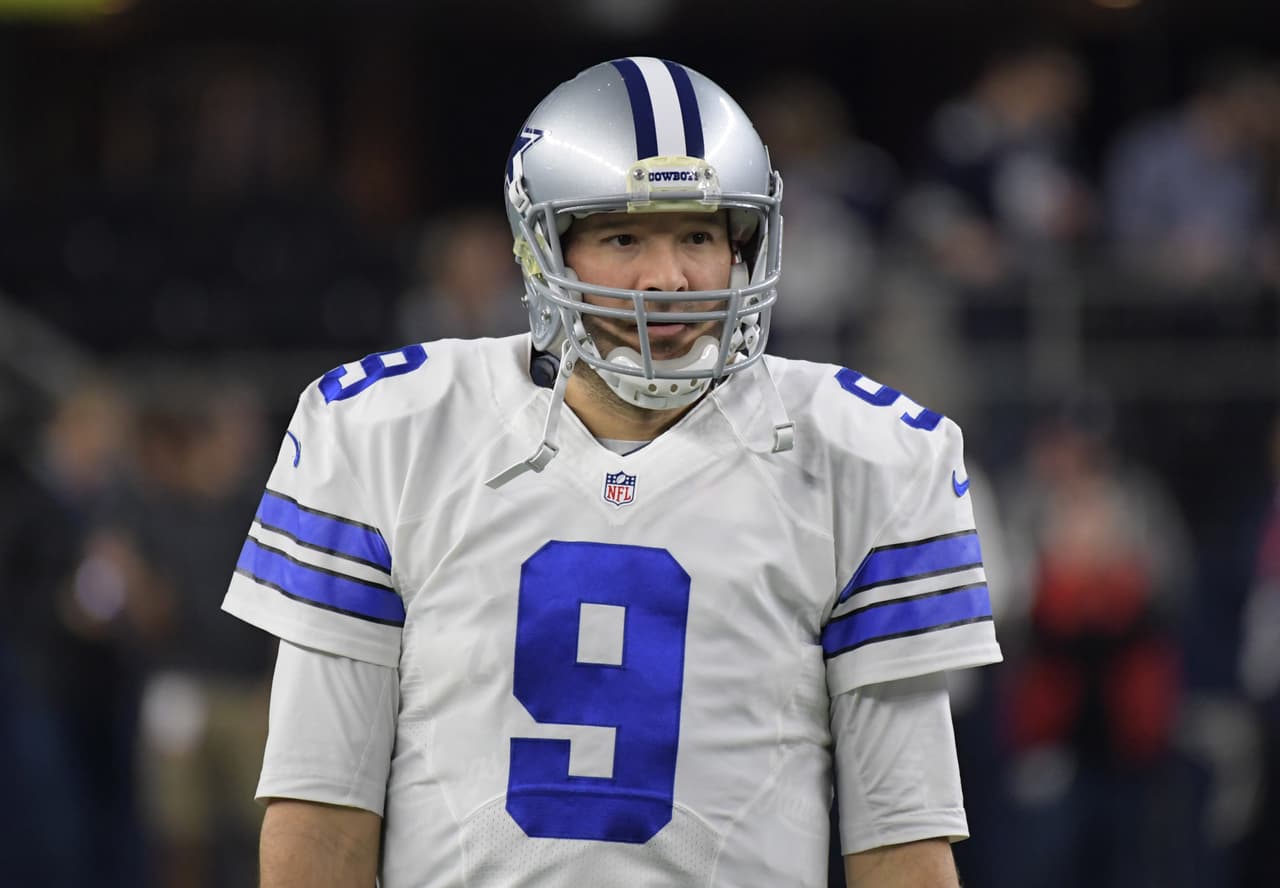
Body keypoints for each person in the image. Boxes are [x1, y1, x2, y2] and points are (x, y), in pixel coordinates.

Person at [222, 57, 1002, 887]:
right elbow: (322, 814)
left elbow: (902, 843)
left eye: (698, 235)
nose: (666, 279)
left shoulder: (867, 456)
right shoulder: (385, 431)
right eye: (624, 236)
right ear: (542, 247)